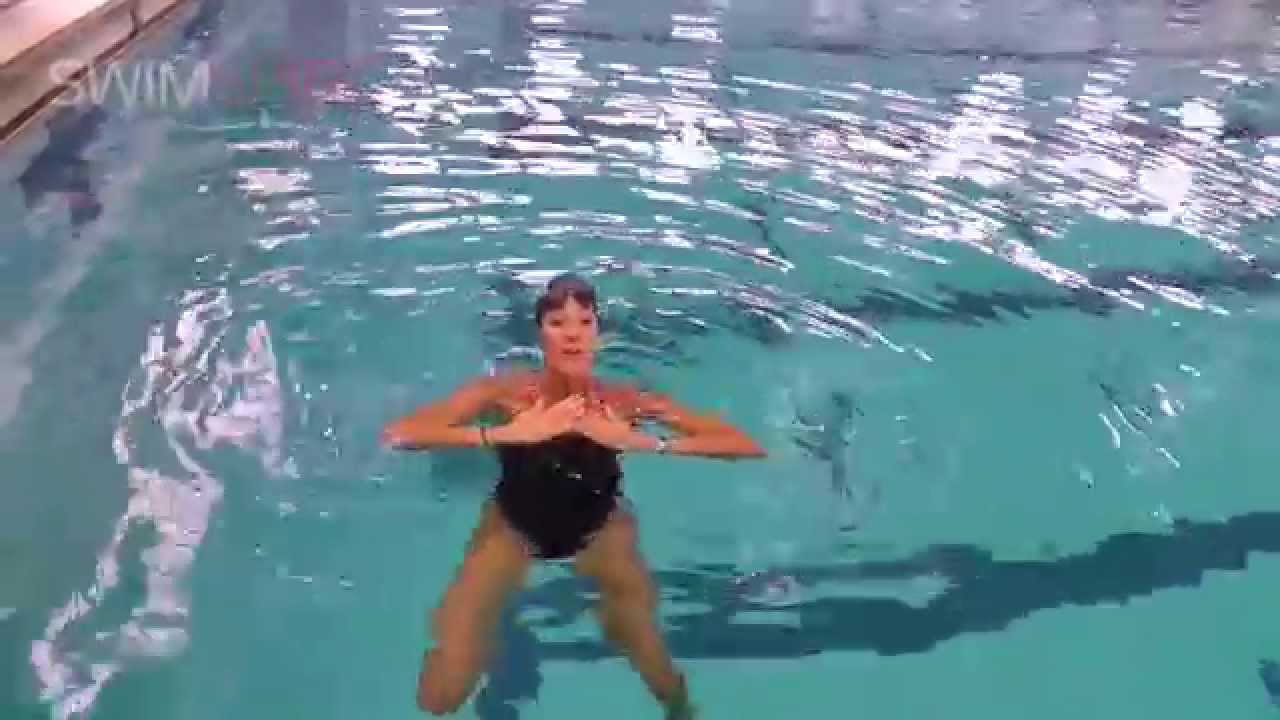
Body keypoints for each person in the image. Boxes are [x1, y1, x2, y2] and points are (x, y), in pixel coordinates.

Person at [381, 272, 766, 718]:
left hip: (602, 530)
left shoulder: (624, 403)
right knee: (441, 694)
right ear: (539, 333)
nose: (572, 334)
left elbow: (744, 445)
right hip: (512, 526)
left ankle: (682, 711)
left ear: (599, 335)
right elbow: (401, 433)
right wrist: (508, 433)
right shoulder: (506, 395)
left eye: (585, 322)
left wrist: (646, 442)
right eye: (558, 323)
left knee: (651, 659)